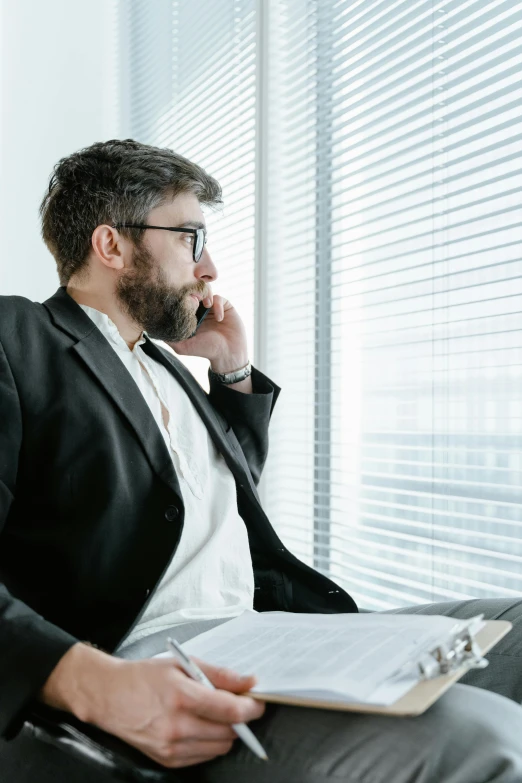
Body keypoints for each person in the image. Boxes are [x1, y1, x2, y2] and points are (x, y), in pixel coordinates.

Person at [1, 138, 522, 783]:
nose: (210, 267)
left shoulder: (164, 363)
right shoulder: (18, 340)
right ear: (111, 245)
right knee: (482, 739)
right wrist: (85, 680)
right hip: (148, 656)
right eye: (192, 238)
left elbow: (204, 498)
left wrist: (232, 370)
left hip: (261, 631)